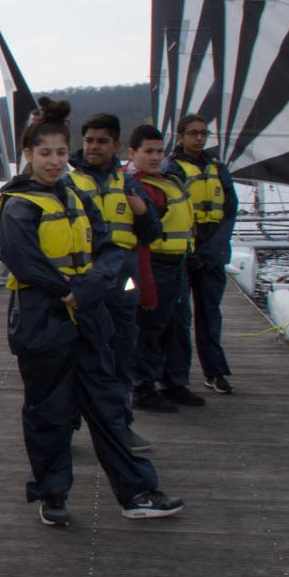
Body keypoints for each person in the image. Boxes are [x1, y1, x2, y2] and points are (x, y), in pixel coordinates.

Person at [0, 97, 184, 527]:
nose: (54, 161)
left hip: (88, 315)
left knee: (107, 405)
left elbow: (111, 249)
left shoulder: (78, 197)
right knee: (49, 414)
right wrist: (67, 290)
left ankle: (136, 492)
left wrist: (87, 288)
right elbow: (22, 260)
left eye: (61, 153)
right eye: (45, 153)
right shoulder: (19, 204)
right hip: (42, 321)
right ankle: (52, 494)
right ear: (29, 154)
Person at [67, 113, 161, 451]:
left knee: (121, 355)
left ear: (117, 146)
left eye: (102, 142)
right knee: (73, 357)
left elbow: (152, 234)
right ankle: (66, 430)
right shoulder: (68, 183)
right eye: (89, 140)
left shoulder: (129, 184)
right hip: (84, 280)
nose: (94, 147)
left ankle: (121, 426)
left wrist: (143, 212)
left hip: (122, 282)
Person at [164, 114, 239, 397]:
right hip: (184, 253)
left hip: (212, 252)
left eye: (203, 133)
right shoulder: (172, 168)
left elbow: (230, 210)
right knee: (179, 318)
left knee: (210, 314)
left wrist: (214, 248)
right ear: (180, 136)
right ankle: (177, 377)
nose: (199, 138)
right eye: (193, 133)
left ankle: (215, 372)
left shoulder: (218, 168)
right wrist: (190, 249)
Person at [125, 124, 196, 412]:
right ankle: (143, 387)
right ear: (132, 153)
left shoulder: (168, 181)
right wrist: (144, 281)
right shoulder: (135, 186)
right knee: (150, 327)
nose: (156, 157)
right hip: (153, 263)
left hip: (177, 264)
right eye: (149, 152)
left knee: (178, 325)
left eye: (159, 152)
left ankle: (174, 382)